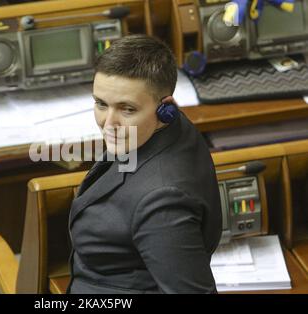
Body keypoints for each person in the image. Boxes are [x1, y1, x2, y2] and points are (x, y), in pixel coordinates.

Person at [66, 34, 222, 294]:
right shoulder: (166, 125)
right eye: (101, 104)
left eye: (127, 109)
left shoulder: (161, 203)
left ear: (165, 109)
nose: (108, 123)